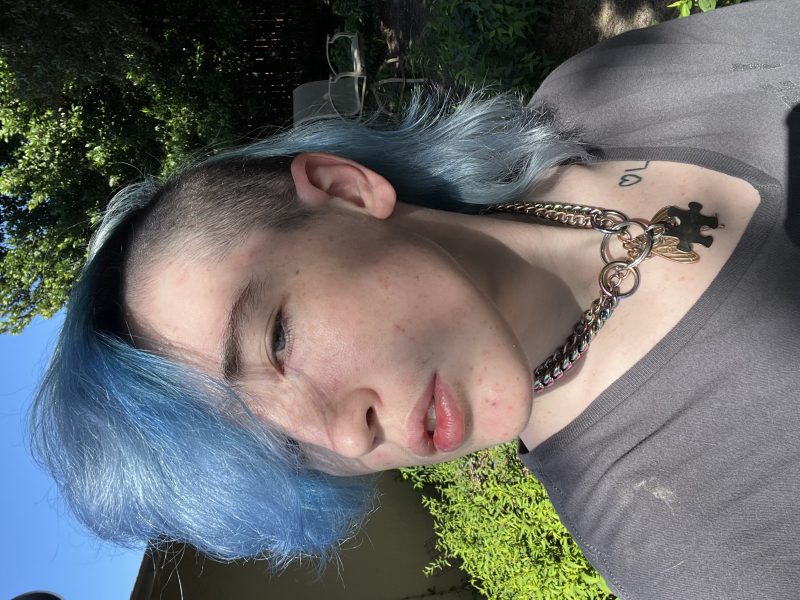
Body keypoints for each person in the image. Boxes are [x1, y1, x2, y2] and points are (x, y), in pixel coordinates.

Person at [30, 1, 799, 597]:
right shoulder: (688, 548)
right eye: (288, 454)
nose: (346, 439)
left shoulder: (605, 93)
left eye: (277, 342)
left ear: (344, 190)